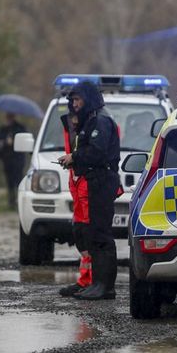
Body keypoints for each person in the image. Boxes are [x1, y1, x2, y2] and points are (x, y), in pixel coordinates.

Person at [57, 81, 120, 300]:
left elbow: (97, 152)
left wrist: (74, 157)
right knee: (92, 233)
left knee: (101, 234)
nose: (74, 105)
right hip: (95, 179)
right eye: (72, 101)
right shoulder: (92, 119)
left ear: (88, 99)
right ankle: (96, 283)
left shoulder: (100, 120)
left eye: (78, 100)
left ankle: (105, 285)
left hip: (101, 180)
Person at [58, 110, 93, 297]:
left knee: (89, 233)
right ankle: (85, 279)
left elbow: (95, 153)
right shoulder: (70, 125)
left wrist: (75, 158)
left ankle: (92, 280)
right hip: (77, 183)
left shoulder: (97, 124)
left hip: (87, 184)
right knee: (80, 233)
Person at [0, 113, 26, 209]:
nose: (8, 119)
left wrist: (13, 141)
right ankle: (11, 201)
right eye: (7, 117)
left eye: (10, 117)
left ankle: (20, 201)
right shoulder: (3, 129)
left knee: (18, 181)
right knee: (9, 182)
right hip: (7, 160)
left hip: (17, 159)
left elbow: (24, 141)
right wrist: (4, 142)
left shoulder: (20, 128)